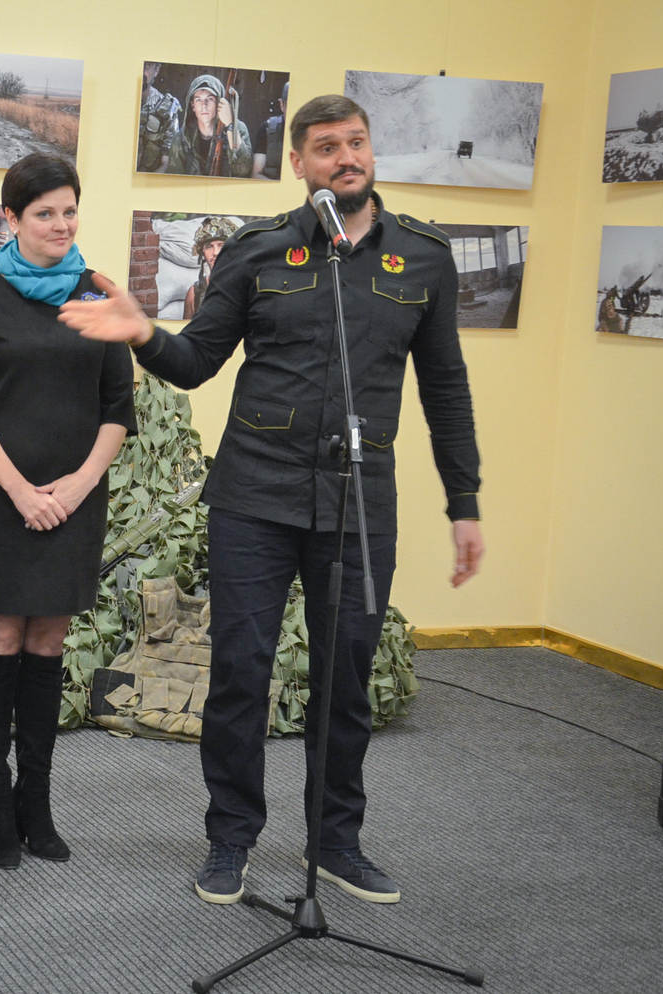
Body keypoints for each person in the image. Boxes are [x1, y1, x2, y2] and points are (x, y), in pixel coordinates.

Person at [60, 95, 484, 906]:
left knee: (345, 677)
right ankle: (230, 839)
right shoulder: (258, 252)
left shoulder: (423, 258)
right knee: (241, 674)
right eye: (326, 146)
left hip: (360, 502)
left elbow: (447, 390)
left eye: (356, 142)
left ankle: (336, 841)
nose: (345, 158)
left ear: (371, 152)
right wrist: (142, 332)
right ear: (299, 163)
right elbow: (195, 363)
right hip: (254, 496)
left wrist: (463, 501)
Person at [0, 153, 137, 870]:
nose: (61, 224)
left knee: (49, 642)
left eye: (69, 210)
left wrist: (79, 486)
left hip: (74, 498)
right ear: (12, 218)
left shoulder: (97, 294)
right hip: (0, 499)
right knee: (1, 636)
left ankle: (38, 801)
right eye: (44, 213)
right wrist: (23, 493)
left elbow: (118, 406)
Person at [168, 74, 251, 178]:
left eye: (210, 99)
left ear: (219, 102)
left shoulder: (238, 129)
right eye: (198, 100)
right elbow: (174, 179)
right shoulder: (182, 138)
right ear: (193, 105)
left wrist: (230, 125)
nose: (204, 105)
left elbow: (243, 171)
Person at [182, 216, 240, 321]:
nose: (215, 252)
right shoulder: (195, 293)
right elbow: (186, 330)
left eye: (221, 246)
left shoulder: (246, 289)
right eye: (209, 247)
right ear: (202, 253)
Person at [138, 62, 181, 172]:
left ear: (156, 70)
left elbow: (166, 163)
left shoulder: (166, 109)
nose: (139, 72)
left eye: (146, 67)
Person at [252, 81, 289, 181]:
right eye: (289, 105)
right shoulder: (267, 129)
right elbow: (256, 174)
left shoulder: (310, 132)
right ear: (281, 104)